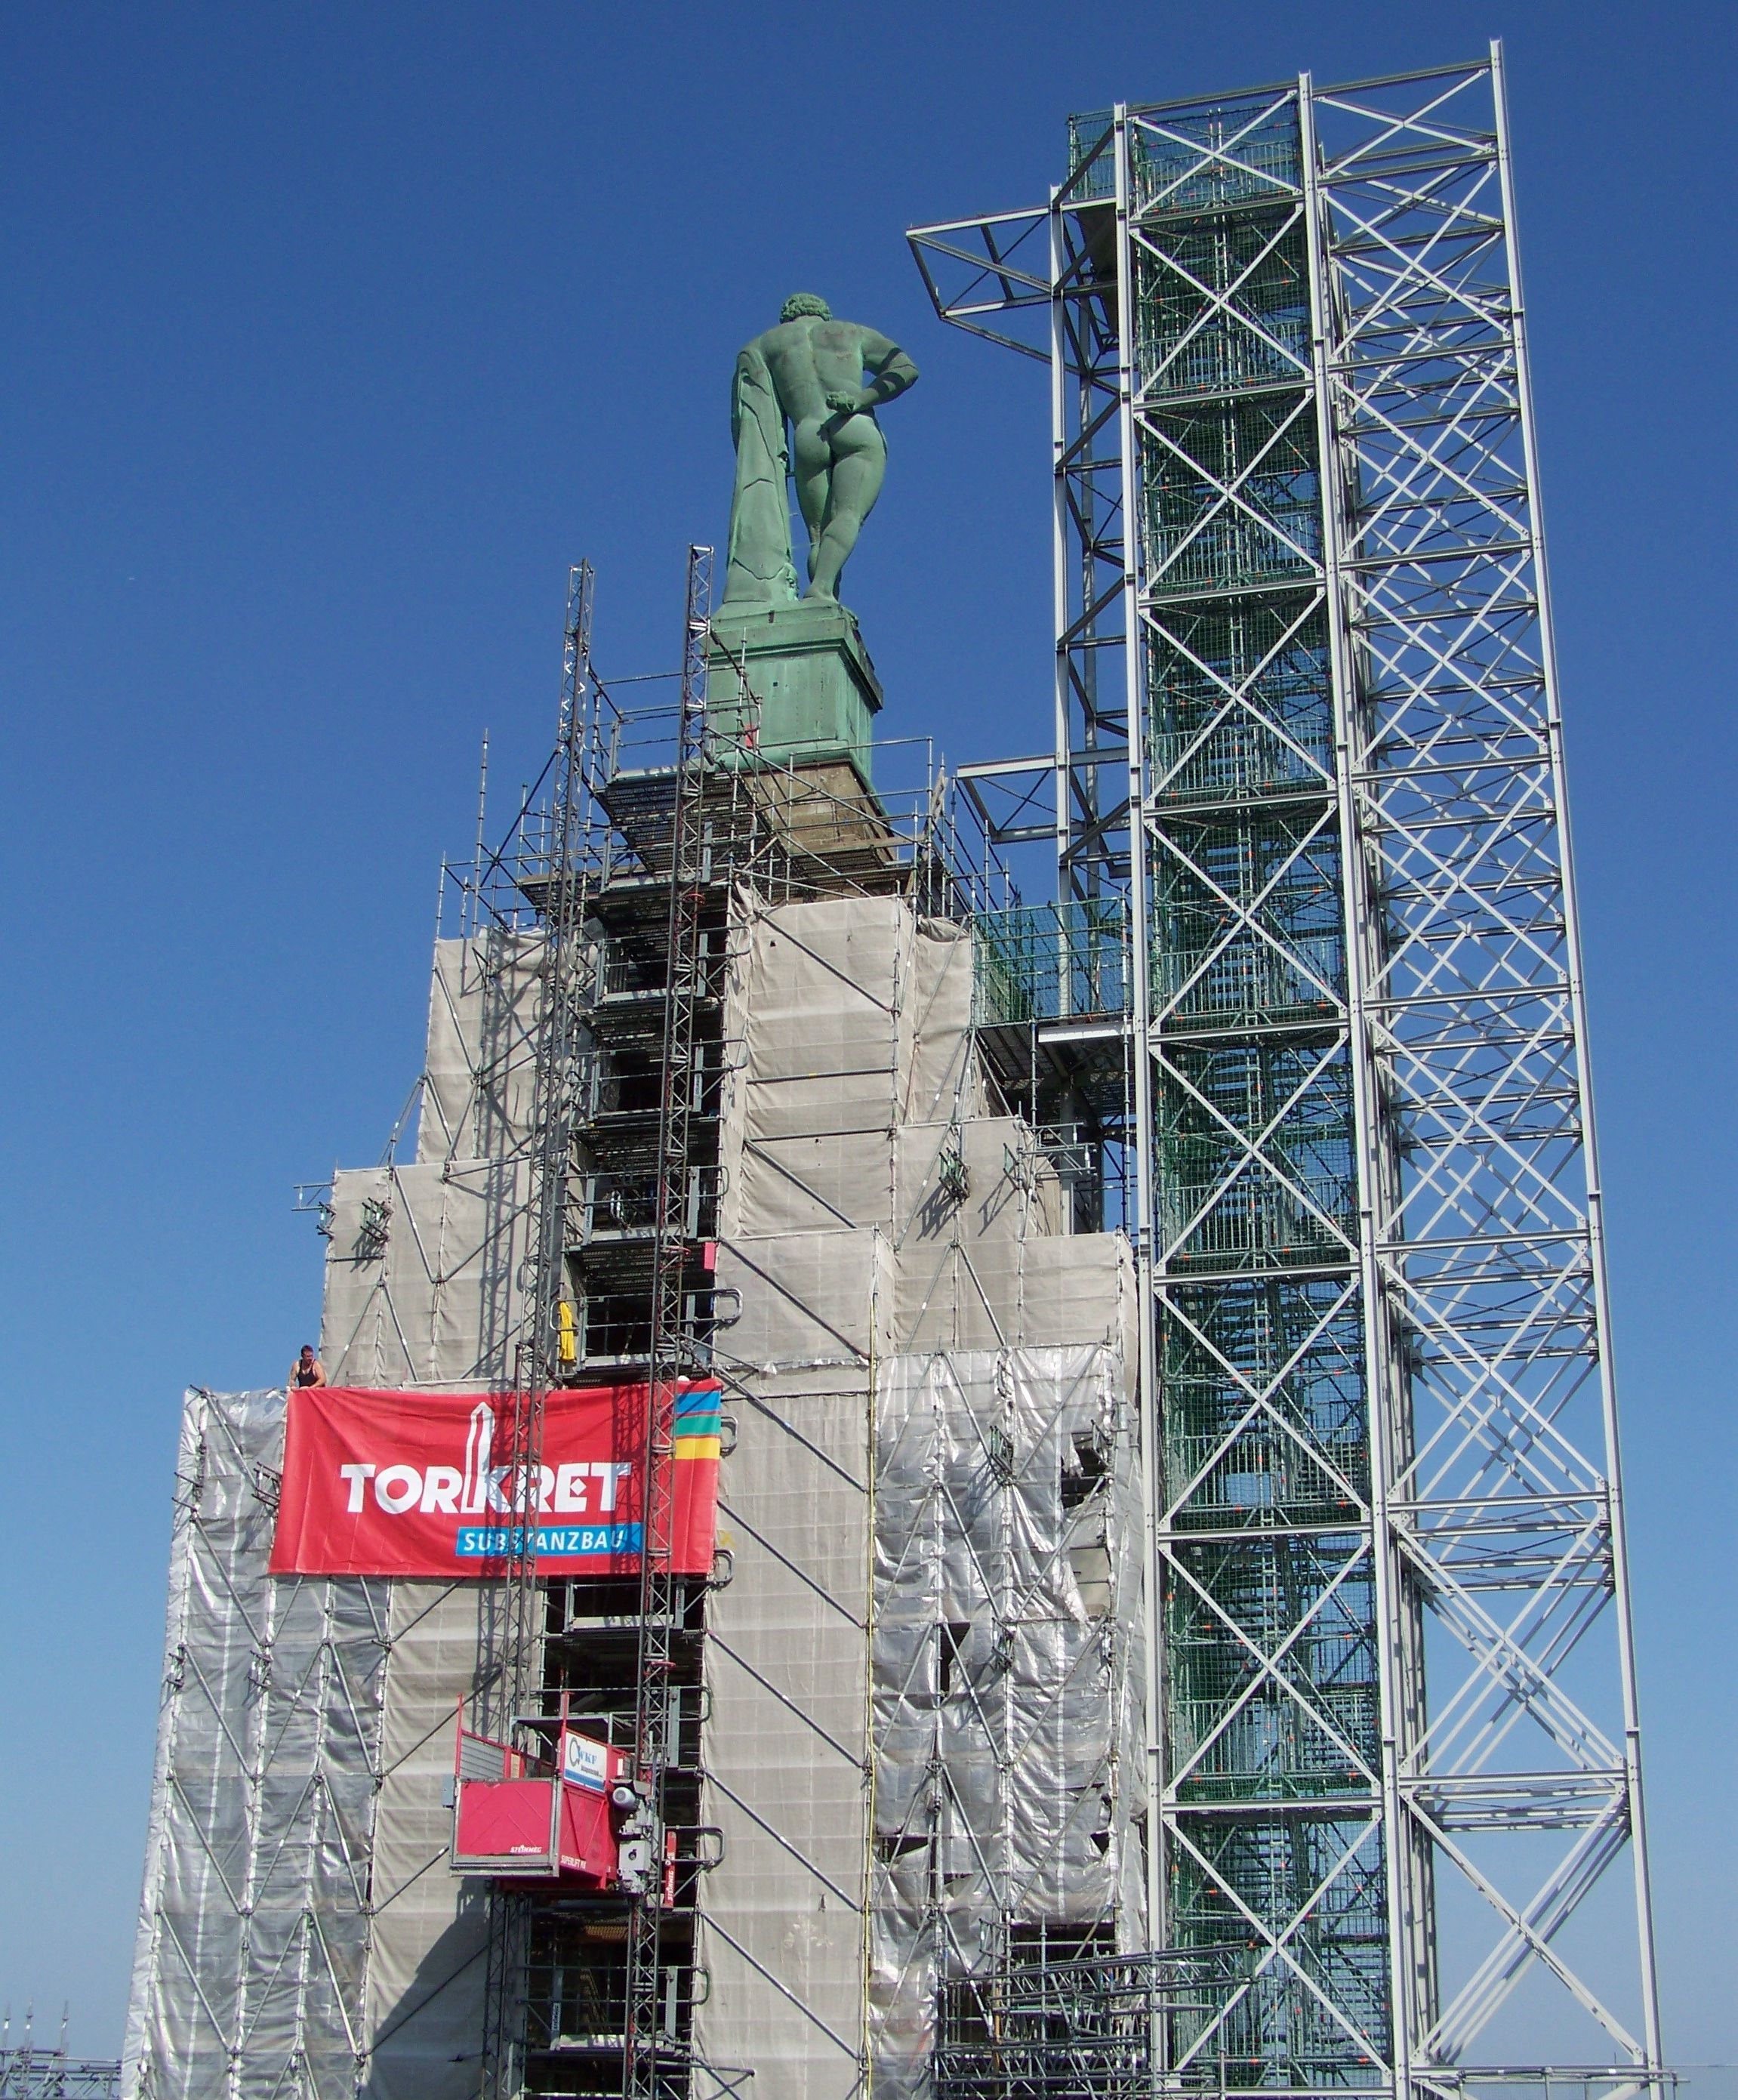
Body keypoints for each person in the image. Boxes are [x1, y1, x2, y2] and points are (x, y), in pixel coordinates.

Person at [723, 293, 919, 608]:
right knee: (847, 515)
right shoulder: (851, 332)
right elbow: (906, 369)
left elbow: (746, 416)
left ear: (788, 315)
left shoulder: (764, 345)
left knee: (817, 534)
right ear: (823, 313)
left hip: (808, 435)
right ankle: (822, 591)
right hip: (853, 425)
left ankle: (823, 599)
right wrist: (862, 398)